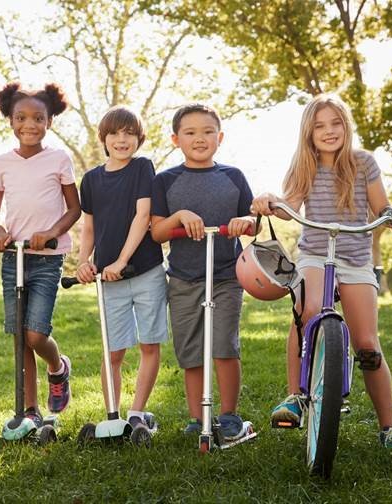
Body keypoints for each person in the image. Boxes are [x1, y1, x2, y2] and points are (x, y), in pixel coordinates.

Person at [251, 93, 392, 448]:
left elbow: (382, 208)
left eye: (336, 123)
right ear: (308, 132)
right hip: (314, 253)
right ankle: (294, 396)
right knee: (305, 311)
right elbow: (289, 205)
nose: (328, 131)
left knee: (368, 344)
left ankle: (388, 428)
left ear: (346, 127)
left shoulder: (364, 163)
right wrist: (271, 202)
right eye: (320, 126)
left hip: (356, 257)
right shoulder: (303, 166)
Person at [150, 104, 256, 440]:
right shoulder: (166, 180)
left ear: (219, 137)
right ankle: (197, 418)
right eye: (191, 132)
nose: (200, 138)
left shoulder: (233, 177)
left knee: (224, 344)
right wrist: (180, 214)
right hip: (183, 277)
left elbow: (252, 221)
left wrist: (245, 222)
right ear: (175, 139)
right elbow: (157, 232)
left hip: (226, 275)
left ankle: (229, 415)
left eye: (208, 131)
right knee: (190, 350)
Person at [0, 81, 81, 425]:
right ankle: (30, 410)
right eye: (21, 117)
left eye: (38, 118)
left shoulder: (59, 159)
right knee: (20, 339)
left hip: (47, 258)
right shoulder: (2, 163)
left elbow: (74, 209)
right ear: (10, 121)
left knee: (35, 334)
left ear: (49, 122)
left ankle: (58, 367)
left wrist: (52, 233)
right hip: (15, 257)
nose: (29, 124)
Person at [75, 106, 167, 429]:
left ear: (139, 139)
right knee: (113, 352)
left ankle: (137, 413)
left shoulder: (143, 168)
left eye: (129, 133)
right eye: (114, 133)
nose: (121, 139)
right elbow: (89, 227)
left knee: (149, 344)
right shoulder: (90, 181)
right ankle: (113, 416)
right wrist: (84, 261)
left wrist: (121, 261)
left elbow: (143, 217)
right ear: (104, 138)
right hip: (108, 279)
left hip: (146, 271)